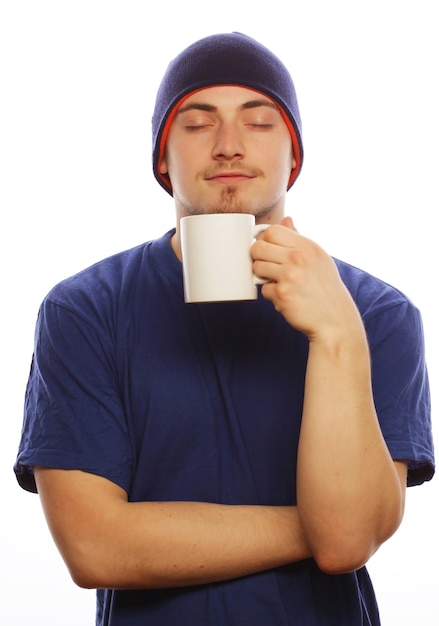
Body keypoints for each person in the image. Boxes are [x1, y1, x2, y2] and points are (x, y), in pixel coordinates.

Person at [14, 32, 434, 626]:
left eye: (260, 122)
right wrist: (318, 522)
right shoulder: (83, 309)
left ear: (296, 156)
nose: (230, 146)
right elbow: (95, 548)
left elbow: (346, 547)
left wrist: (337, 333)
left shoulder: (378, 314)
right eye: (197, 123)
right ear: (163, 158)